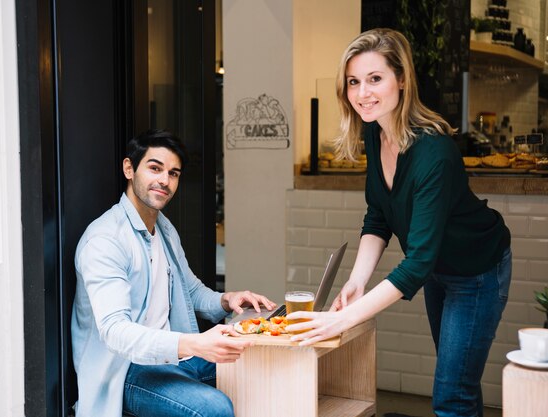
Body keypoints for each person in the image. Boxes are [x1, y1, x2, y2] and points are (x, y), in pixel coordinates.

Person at [286, 29, 511, 417]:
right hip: (440, 270)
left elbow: (418, 261)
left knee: (451, 395)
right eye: (354, 82)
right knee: (459, 384)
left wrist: (342, 319)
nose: (362, 93)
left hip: (476, 271)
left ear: (402, 79)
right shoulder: (376, 133)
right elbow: (378, 216)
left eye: (375, 79)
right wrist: (357, 281)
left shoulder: (433, 152)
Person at [72, 129, 275, 417]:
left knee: (262, 362)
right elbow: (116, 332)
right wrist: (196, 344)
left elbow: (190, 290)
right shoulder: (105, 240)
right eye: (155, 168)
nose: (164, 181)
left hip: (175, 356)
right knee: (214, 409)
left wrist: (228, 299)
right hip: (126, 372)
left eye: (173, 173)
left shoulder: (163, 228)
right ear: (129, 169)